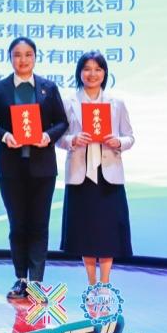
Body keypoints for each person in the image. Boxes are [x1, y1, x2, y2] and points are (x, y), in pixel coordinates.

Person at [0, 37, 68, 298]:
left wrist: (47, 136)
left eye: (28, 54)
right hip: (10, 168)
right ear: (10, 58)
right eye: (17, 55)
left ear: (35, 57)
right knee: (18, 224)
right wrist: (4, 136)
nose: (23, 60)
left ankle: (37, 281)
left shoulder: (48, 88)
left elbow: (62, 122)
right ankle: (21, 278)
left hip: (42, 168)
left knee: (39, 224)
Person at [57, 51, 134, 285]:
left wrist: (118, 142)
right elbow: (58, 137)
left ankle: (105, 283)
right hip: (80, 174)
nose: (92, 74)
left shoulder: (116, 103)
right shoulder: (69, 102)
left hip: (108, 173)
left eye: (98, 69)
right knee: (85, 232)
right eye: (87, 69)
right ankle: (91, 283)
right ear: (79, 72)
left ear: (105, 73)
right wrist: (72, 140)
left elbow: (130, 136)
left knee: (109, 231)